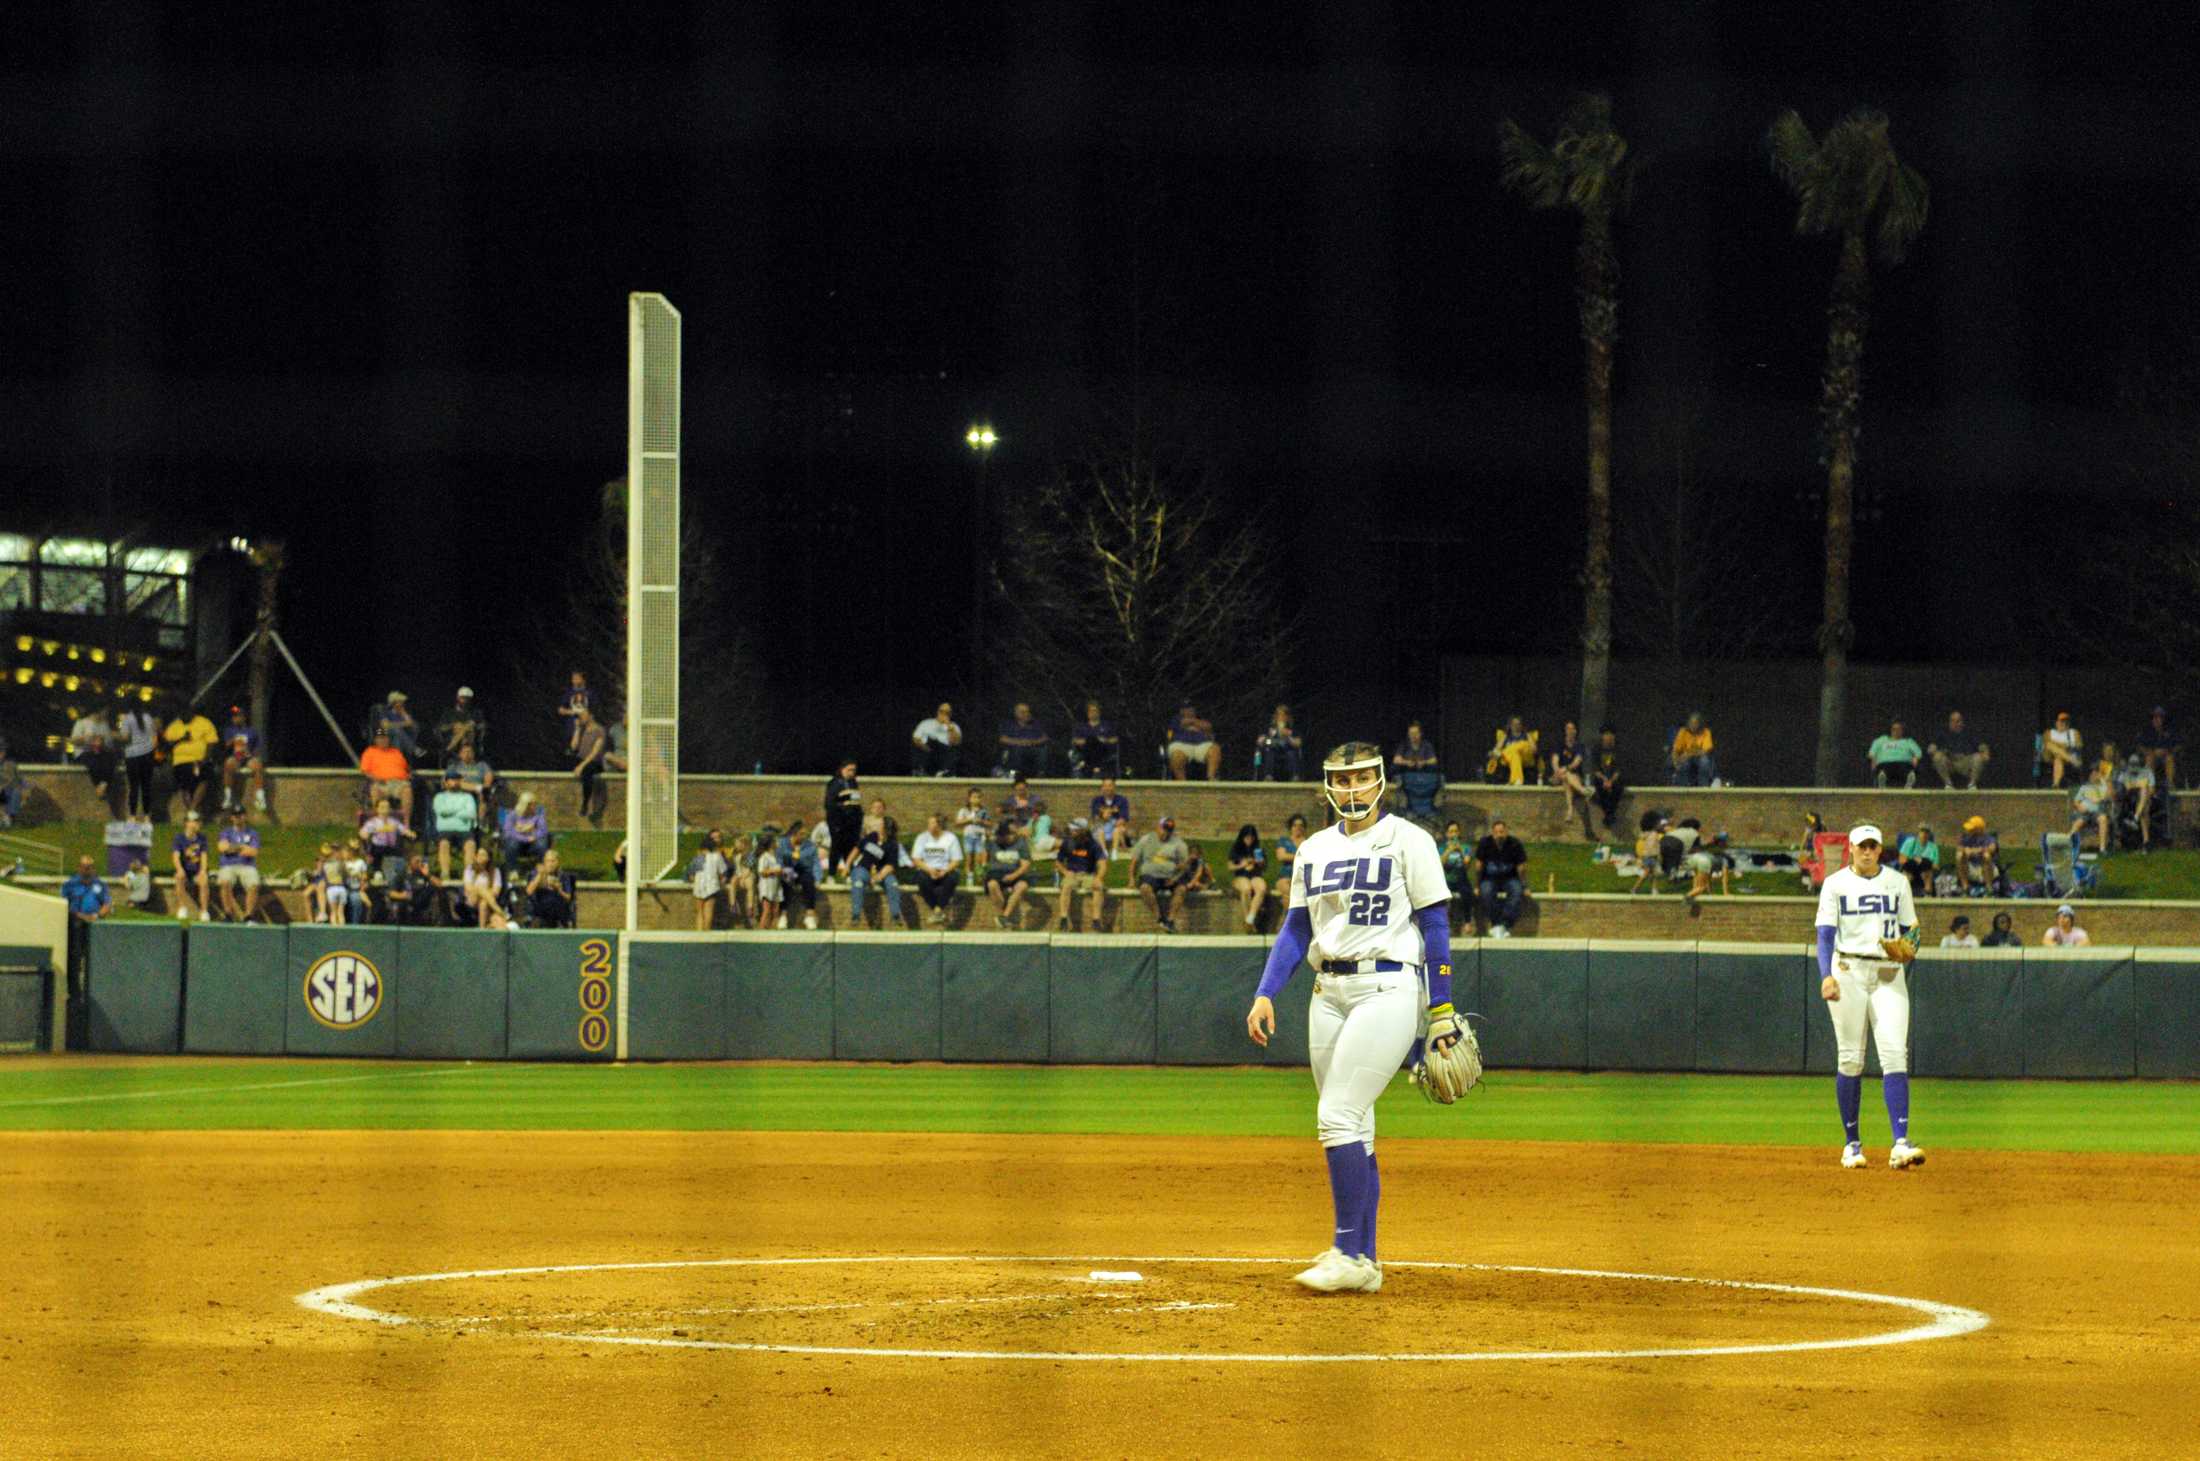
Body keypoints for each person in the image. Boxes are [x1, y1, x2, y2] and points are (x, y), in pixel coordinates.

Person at [1243, 741, 1462, 1295]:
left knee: (1336, 1114)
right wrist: (1267, 992)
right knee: (1354, 1123)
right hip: (1327, 990)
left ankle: (1345, 1249)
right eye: (1342, 780)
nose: (1352, 789)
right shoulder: (1312, 848)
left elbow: (1435, 927)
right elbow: (1297, 929)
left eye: (1362, 778)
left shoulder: (1409, 840)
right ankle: (1363, 1260)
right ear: (1327, 785)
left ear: (1381, 781)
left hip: (1387, 985)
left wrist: (1440, 1009)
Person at [1815, 823, 1924, 1171]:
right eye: (1861, 846)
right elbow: (1824, 935)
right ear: (1850, 849)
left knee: (1895, 1054)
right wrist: (1826, 975)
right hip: (1848, 972)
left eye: (1872, 846)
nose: (1866, 851)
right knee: (1850, 1059)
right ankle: (1851, 1144)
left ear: (1880, 850)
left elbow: (1912, 929)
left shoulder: (1897, 882)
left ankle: (1900, 1144)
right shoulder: (1835, 885)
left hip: (1890, 973)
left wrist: (1913, 946)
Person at [844, 810, 906, 928]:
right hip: (863, 868)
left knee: (892, 884)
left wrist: (877, 877)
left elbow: (890, 866)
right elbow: (857, 849)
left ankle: (896, 915)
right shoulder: (872, 836)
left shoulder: (892, 844)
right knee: (858, 883)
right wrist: (847, 864)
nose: (878, 826)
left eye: (881, 824)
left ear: (886, 828)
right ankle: (855, 916)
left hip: (882, 872)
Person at [1129, 815, 1191, 933]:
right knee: (1145, 888)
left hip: (1170, 876)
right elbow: (1135, 861)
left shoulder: (1179, 844)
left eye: (1169, 830)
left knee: (1182, 889)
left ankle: (1170, 920)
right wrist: (1131, 878)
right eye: (1164, 829)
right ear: (1158, 827)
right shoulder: (1146, 840)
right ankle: (1159, 918)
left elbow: (1184, 866)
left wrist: (1175, 877)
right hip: (1150, 875)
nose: (1165, 833)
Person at [159, 704, 220, 818]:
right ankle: (192, 811)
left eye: (185, 712)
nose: (183, 716)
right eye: (181, 713)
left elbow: (212, 743)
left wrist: (205, 758)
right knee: (183, 784)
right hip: (180, 762)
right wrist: (181, 739)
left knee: (203, 776)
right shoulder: (174, 726)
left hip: (198, 761)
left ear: (191, 712)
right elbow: (165, 747)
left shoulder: (204, 723)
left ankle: (192, 809)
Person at [1473, 818, 1528, 938]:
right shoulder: (1485, 843)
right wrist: (1477, 886)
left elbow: (1521, 867)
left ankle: (1504, 924)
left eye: (1502, 832)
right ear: (1492, 833)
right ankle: (1496, 923)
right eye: (1497, 832)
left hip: (1510, 878)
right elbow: (1478, 866)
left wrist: (1525, 886)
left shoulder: (1514, 844)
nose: (1500, 835)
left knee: (1517, 892)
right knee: (1486, 892)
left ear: (1506, 832)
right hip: (1489, 878)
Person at [68, 705, 124, 819]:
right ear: (99, 711)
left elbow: (109, 746)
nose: (106, 714)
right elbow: (73, 740)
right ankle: (99, 785)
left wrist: (102, 743)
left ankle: (102, 785)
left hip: (101, 752)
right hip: (85, 751)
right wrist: (86, 738)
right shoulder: (82, 723)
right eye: (105, 711)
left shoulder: (104, 725)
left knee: (111, 760)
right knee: (93, 761)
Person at [910, 813, 963, 927]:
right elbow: (916, 859)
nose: (929, 826)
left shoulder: (951, 838)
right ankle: (937, 910)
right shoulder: (922, 838)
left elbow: (956, 860)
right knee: (921, 880)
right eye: (928, 823)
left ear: (939, 825)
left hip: (945, 870)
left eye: (932, 823)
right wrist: (930, 870)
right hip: (927, 870)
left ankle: (937, 910)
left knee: (953, 879)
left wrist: (944, 871)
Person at [1054, 818, 1105, 931]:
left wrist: (1099, 877)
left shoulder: (1093, 844)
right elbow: (1058, 862)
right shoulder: (1067, 842)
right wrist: (1065, 872)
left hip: (1088, 874)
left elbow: (1102, 864)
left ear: (1082, 831)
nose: (1072, 832)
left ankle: (1096, 919)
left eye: (1075, 830)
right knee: (1066, 886)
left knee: (1098, 886)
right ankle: (1063, 919)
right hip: (1072, 874)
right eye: (1072, 830)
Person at [982, 820, 1034, 929]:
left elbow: (1026, 864)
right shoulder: (993, 842)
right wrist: (983, 862)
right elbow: (983, 858)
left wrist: (1013, 876)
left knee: (1022, 886)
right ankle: (1003, 914)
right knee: (992, 885)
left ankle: (1004, 917)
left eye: (1012, 834)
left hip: (1015, 872)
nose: (998, 839)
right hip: (996, 873)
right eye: (998, 836)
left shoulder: (1020, 843)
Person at [214, 808, 262, 923]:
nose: (238, 818)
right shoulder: (226, 832)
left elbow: (253, 852)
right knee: (225, 882)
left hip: (247, 865)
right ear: (231, 818)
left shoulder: (252, 833)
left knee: (254, 884)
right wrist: (241, 847)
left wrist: (232, 848)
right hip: (228, 865)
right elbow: (222, 848)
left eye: (240, 815)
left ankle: (248, 916)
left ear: (245, 816)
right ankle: (228, 914)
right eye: (235, 815)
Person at [429, 771, 479, 881]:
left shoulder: (468, 797)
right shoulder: (439, 797)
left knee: (470, 844)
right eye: (452, 780)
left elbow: (471, 814)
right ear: (446, 783)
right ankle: (445, 874)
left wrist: (451, 813)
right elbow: (441, 811)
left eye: (457, 780)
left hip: (464, 829)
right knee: (444, 844)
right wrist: (460, 810)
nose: (455, 782)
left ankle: (468, 874)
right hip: (445, 830)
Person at [217, 705, 267, 814]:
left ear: (244, 717)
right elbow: (225, 746)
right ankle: (228, 796)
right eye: (234, 717)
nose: (235, 719)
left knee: (257, 764)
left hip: (248, 757)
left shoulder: (252, 731)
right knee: (228, 763)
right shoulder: (230, 730)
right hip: (236, 757)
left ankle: (260, 797)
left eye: (237, 716)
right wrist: (233, 740)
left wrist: (251, 753)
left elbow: (258, 747)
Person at [359, 728, 414, 823]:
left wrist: (408, 775)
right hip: (381, 783)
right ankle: (379, 823)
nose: (383, 740)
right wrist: (376, 779)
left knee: (407, 791)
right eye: (380, 738)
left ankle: (406, 825)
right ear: (375, 740)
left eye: (384, 738)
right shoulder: (370, 752)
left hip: (398, 783)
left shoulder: (396, 752)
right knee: (375, 790)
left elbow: (406, 768)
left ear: (388, 739)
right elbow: (365, 772)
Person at [1547, 722, 1592, 837]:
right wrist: (1558, 771)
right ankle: (1583, 791)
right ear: (1565, 731)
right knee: (1565, 776)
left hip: (1574, 775)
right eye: (1568, 728)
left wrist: (1565, 769)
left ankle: (1570, 811)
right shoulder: (1560, 744)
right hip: (1559, 776)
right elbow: (1555, 760)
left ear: (1576, 731)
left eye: (1572, 728)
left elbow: (1577, 762)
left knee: (1567, 778)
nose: (1570, 731)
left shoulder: (1580, 746)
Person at [1927, 711, 1989, 790]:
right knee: (1937, 757)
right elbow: (1932, 746)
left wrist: (1985, 752)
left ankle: (1972, 784)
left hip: (1966, 761)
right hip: (1950, 762)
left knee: (1978, 757)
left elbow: (1981, 745)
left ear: (1962, 722)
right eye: (1952, 721)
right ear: (1949, 722)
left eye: (1958, 721)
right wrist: (1932, 750)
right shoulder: (1943, 733)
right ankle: (1948, 784)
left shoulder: (1969, 732)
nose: (1955, 723)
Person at [117, 703, 159, 818]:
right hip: (147, 755)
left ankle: (132, 815)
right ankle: (147, 815)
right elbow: (154, 736)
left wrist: (114, 735)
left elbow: (125, 737)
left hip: (132, 755)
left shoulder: (127, 719)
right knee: (146, 786)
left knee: (133, 786)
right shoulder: (148, 718)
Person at [169, 810, 211, 922]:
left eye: (198, 822)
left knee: (204, 881)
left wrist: (203, 870)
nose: (198, 824)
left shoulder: (202, 838)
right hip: (185, 870)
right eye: (195, 822)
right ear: (187, 823)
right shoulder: (179, 838)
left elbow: (204, 856)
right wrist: (179, 869)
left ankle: (204, 911)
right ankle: (182, 907)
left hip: (197, 870)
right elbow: (176, 857)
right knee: (179, 877)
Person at [823, 760, 865, 869]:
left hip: (852, 823)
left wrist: (858, 818)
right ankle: (832, 873)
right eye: (849, 770)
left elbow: (855, 802)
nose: (851, 773)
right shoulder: (834, 783)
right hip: (838, 822)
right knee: (836, 847)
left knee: (850, 847)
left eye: (854, 770)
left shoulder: (853, 783)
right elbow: (830, 804)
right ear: (842, 769)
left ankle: (848, 871)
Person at [571, 708, 610, 821]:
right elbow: (573, 747)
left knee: (587, 771)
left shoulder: (599, 730)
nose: (581, 717)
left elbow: (595, 752)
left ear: (591, 716)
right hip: (580, 760)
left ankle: (585, 803)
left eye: (583, 715)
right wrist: (577, 729)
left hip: (593, 762)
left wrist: (581, 766)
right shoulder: (582, 729)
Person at [1165, 702, 1222, 781]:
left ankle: (1211, 779)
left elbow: (1208, 727)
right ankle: (1182, 784)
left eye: (1191, 709)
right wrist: (1196, 724)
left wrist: (1193, 722)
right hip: (1181, 745)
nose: (1189, 711)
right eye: (1186, 709)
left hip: (1202, 745)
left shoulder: (1202, 718)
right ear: (1181, 711)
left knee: (1215, 749)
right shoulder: (1175, 719)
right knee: (1176, 756)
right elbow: (1182, 723)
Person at [1226, 823, 1267, 929]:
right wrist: (1242, 865)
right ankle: (1248, 922)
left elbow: (1264, 867)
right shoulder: (1236, 849)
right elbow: (1230, 867)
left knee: (1261, 889)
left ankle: (1250, 918)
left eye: (1252, 837)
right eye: (1247, 837)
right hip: (1241, 875)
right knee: (1246, 889)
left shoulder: (1258, 849)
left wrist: (1260, 862)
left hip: (1255, 875)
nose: (1249, 840)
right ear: (1242, 837)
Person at [498, 793, 552, 870]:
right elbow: (509, 832)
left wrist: (532, 833)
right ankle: (512, 870)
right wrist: (525, 836)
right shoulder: (512, 815)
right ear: (525, 805)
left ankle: (542, 869)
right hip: (518, 844)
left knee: (542, 843)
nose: (535, 806)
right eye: (533, 804)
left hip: (533, 844)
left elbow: (543, 830)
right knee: (511, 844)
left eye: (535, 804)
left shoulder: (537, 815)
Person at [996, 703, 1050, 779]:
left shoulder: (1035, 724)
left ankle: (1040, 774)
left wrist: (1033, 742)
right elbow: (1003, 739)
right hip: (1014, 748)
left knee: (1043, 750)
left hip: (1032, 747)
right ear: (1016, 713)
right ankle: (1014, 774)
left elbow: (1045, 738)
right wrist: (1019, 742)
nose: (1026, 714)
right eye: (1023, 712)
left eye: (1027, 712)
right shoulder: (1008, 724)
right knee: (1017, 751)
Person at [1588, 727, 1626, 835]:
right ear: (1602, 737)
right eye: (1606, 735)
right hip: (1601, 778)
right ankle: (1610, 815)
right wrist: (1605, 780)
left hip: (1614, 778)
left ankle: (1608, 815)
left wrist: (1611, 781)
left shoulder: (1618, 749)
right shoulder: (1596, 749)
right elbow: (1595, 769)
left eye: (1610, 735)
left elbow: (1619, 770)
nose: (1608, 737)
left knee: (1618, 787)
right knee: (1600, 787)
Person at [525, 851, 578, 929]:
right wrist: (539, 876)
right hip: (541, 907)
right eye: (548, 861)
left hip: (558, 907)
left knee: (559, 907)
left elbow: (568, 897)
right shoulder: (536, 873)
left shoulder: (564, 876)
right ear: (544, 862)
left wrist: (559, 890)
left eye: (553, 861)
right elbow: (529, 892)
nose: (550, 864)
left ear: (558, 862)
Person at [1069, 701, 1121, 779]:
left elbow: (1115, 739)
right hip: (1085, 751)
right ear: (1087, 713)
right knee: (1091, 741)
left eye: (1095, 710)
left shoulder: (1107, 725)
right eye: (1091, 711)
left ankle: (1086, 763)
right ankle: (1095, 766)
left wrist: (1105, 740)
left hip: (1103, 752)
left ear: (1099, 712)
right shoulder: (1081, 727)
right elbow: (1074, 741)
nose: (1093, 713)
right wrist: (1086, 741)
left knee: (1095, 743)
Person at [690, 830, 730, 931]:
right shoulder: (717, 856)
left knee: (699, 912)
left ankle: (699, 932)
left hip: (698, 887)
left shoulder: (696, 858)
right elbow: (723, 872)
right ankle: (706, 932)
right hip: (712, 886)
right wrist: (721, 883)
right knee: (708, 910)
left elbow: (691, 876)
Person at [2116, 754, 2157, 851]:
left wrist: (2136, 786)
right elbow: (2122, 789)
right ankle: (2146, 841)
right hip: (2128, 801)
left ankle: (2136, 819)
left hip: (2145, 799)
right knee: (2144, 795)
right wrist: (2138, 786)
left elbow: (2151, 790)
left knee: (2144, 794)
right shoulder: (2124, 773)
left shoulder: (2147, 772)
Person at [2070, 765, 2115, 853]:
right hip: (2084, 812)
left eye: (2096, 773)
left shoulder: (2103, 787)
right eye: (2092, 774)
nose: (2094, 775)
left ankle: (2102, 848)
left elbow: (2111, 796)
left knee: (2103, 819)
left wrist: (2105, 781)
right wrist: (2079, 807)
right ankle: (2069, 845)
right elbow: (2075, 801)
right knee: (2079, 822)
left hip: (2098, 812)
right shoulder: (2084, 787)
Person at [1867, 719, 1924, 789]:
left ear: (1902, 731)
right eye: (1894, 729)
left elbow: (1918, 752)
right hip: (1885, 763)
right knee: (1884, 771)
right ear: (1890, 730)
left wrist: (1916, 758)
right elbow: (1872, 752)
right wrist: (1873, 759)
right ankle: (1882, 782)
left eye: (1899, 729)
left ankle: (1909, 783)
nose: (1896, 731)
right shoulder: (1881, 740)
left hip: (1904, 764)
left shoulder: (1908, 741)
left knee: (1907, 770)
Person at [461, 846, 509, 929]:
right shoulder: (469, 869)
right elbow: (469, 888)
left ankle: (482, 928)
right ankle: (499, 911)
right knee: (480, 888)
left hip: (488, 901)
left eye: (483, 855)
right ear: (475, 857)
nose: (480, 857)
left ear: (488, 858)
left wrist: (484, 894)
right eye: (478, 855)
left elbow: (496, 891)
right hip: (472, 899)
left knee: (483, 903)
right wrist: (482, 891)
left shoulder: (495, 871)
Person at [910, 701, 962, 777]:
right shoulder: (926, 723)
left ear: (950, 714)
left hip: (944, 753)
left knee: (952, 751)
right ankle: (921, 770)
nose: (943, 714)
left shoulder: (954, 727)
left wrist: (950, 728)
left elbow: (955, 743)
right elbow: (916, 739)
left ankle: (944, 772)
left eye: (947, 712)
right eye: (941, 711)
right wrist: (926, 748)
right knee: (931, 743)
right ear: (937, 712)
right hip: (927, 750)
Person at [1956, 816, 2002, 897]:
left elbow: (1992, 848)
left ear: (1979, 829)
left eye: (1972, 829)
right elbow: (1959, 847)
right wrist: (1965, 850)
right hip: (1971, 868)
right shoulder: (1967, 838)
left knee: (1986, 855)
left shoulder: (1989, 839)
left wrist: (1976, 851)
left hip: (1987, 869)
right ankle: (1965, 888)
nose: (1969, 830)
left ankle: (1989, 889)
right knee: (1959, 855)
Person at [1255, 704, 1304, 782]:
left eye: (1283, 715)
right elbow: (1259, 741)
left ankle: (1295, 776)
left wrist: (1288, 736)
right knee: (1269, 752)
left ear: (1287, 717)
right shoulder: (1270, 727)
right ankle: (1268, 776)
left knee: (1292, 754)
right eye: (1278, 715)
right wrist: (1265, 738)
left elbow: (1298, 743)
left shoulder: (1292, 728)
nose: (1281, 717)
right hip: (1273, 750)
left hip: (1288, 750)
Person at [1484, 716, 1538, 785]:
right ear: (1510, 725)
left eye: (1518, 724)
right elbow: (1496, 749)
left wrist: (1511, 749)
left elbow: (1534, 750)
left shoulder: (1526, 735)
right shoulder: (1506, 736)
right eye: (1514, 724)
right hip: (1509, 760)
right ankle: (1516, 780)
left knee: (1521, 745)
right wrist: (1494, 753)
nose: (1516, 726)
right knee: (1514, 755)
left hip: (1525, 758)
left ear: (1521, 725)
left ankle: (1506, 752)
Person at [2136, 706, 2180, 789]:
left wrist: (2169, 752)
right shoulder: (2147, 731)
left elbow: (2178, 745)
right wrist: (2150, 752)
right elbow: (2140, 746)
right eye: (2154, 717)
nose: (2156, 719)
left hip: (2165, 757)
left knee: (2169, 759)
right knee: (2150, 758)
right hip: (2152, 756)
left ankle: (2169, 784)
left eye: (2159, 717)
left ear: (2163, 719)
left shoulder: (2169, 730)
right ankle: (2150, 784)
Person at [435, 687, 486, 758]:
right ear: (457, 697)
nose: (465, 700)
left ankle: (449, 748)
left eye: (467, 698)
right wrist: (453, 725)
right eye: (463, 698)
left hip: (470, 741)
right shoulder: (449, 713)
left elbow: (483, 726)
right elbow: (440, 729)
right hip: (453, 740)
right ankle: (452, 747)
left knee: (468, 726)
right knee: (462, 727)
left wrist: (473, 725)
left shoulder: (476, 713)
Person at [1090, 776, 1132, 859]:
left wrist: (1115, 822)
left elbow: (1124, 817)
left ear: (1114, 787)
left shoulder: (1121, 800)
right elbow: (1095, 818)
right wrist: (1104, 817)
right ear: (1102, 788)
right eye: (1105, 786)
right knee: (1099, 829)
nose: (1107, 788)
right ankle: (1104, 851)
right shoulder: (1096, 800)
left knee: (1119, 829)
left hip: (1115, 829)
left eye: (1110, 785)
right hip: (1101, 828)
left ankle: (1114, 851)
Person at [1670, 712, 1716, 787]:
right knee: (1683, 764)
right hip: (1686, 758)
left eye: (1695, 723)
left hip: (1699, 757)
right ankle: (1682, 788)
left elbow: (1706, 751)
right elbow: (1675, 750)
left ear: (1700, 724)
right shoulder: (1683, 731)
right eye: (1691, 722)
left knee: (1705, 762)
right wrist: (1676, 762)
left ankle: (1703, 788)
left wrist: (1689, 754)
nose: (1693, 725)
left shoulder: (1706, 732)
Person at [371, 691, 422, 759]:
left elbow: (410, 723)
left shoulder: (402, 714)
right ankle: (413, 749)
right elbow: (385, 725)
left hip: (400, 735)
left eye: (402, 702)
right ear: (393, 703)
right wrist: (403, 724)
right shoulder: (385, 712)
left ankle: (401, 757)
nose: (402, 704)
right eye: (400, 702)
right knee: (397, 731)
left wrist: (403, 713)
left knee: (407, 731)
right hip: (385, 733)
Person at [953, 786, 993, 873]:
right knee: (969, 857)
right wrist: (969, 820)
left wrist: (981, 821)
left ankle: (978, 874)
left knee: (978, 858)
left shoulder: (984, 811)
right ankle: (968, 875)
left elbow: (989, 823)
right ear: (969, 798)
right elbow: (957, 823)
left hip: (980, 836)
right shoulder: (964, 810)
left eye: (979, 797)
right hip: (968, 836)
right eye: (974, 797)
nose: (976, 799)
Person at [2040, 710, 2083, 787]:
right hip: (2050, 757)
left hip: (2066, 756)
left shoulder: (2073, 732)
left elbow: (2079, 746)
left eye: (2066, 721)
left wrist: (2061, 747)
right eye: (2061, 721)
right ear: (2056, 722)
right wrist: (2062, 746)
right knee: (2050, 745)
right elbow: (2046, 744)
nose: (2063, 723)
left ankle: (2056, 784)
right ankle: (2071, 759)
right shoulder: (2049, 732)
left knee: (2058, 758)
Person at [1894, 824, 1939, 898]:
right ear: (1919, 833)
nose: (1924, 834)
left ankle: (1927, 893)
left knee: (1927, 866)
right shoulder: (1910, 843)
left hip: (1925, 869)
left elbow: (1936, 866)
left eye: (1926, 832)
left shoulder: (1933, 847)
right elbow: (1901, 860)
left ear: (1929, 834)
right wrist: (1915, 859)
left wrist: (1923, 861)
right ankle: (1903, 894)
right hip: (1911, 867)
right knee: (1908, 867)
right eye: (1922, 831)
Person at [1272, 814, 1309, 903]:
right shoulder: (1284, 841)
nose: (1298, 828)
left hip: (1303, 877)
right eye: (1295, 825)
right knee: (1288, 892)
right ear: (1291, 827)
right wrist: (1300, 857)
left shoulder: (1308, 842)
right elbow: (1281, 856)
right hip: (1285, 877)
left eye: (1301, 825)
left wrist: (1291, 856)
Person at [1439, 820, 1471, 920]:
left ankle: (1467, 921)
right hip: (1446, 880)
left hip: (1461, 879)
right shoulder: (1442, 848)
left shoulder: (1466, 847)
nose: (1454, 834)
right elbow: (1439, 864)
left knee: (1468, 893)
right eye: (1451, 831)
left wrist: (1460, 850)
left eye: (1456, 831)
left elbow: (1467, 864)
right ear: (1447, 834)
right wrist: (1449, 850)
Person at [556, 672, 592, 757]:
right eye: (573, 678)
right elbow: (560, 710)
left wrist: (585, 715)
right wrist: (573, 712)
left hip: (586, 728)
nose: (574, 680)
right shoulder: (568, 693)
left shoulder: (590, 693)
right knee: (570, 754)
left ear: (583, 679)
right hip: (570, 728)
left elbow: (595, 710)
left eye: (576, 678)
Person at [754, 833, 785, 930]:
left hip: (776, 886)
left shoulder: (775, 857)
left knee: (775, 911)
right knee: (767, 910)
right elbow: (761, 871)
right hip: (767, 887)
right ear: (771, 844)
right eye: (776, 841)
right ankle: (761, 931)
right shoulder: (764, 856)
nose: (778, 843)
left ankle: (773, 932)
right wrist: (775, 871)